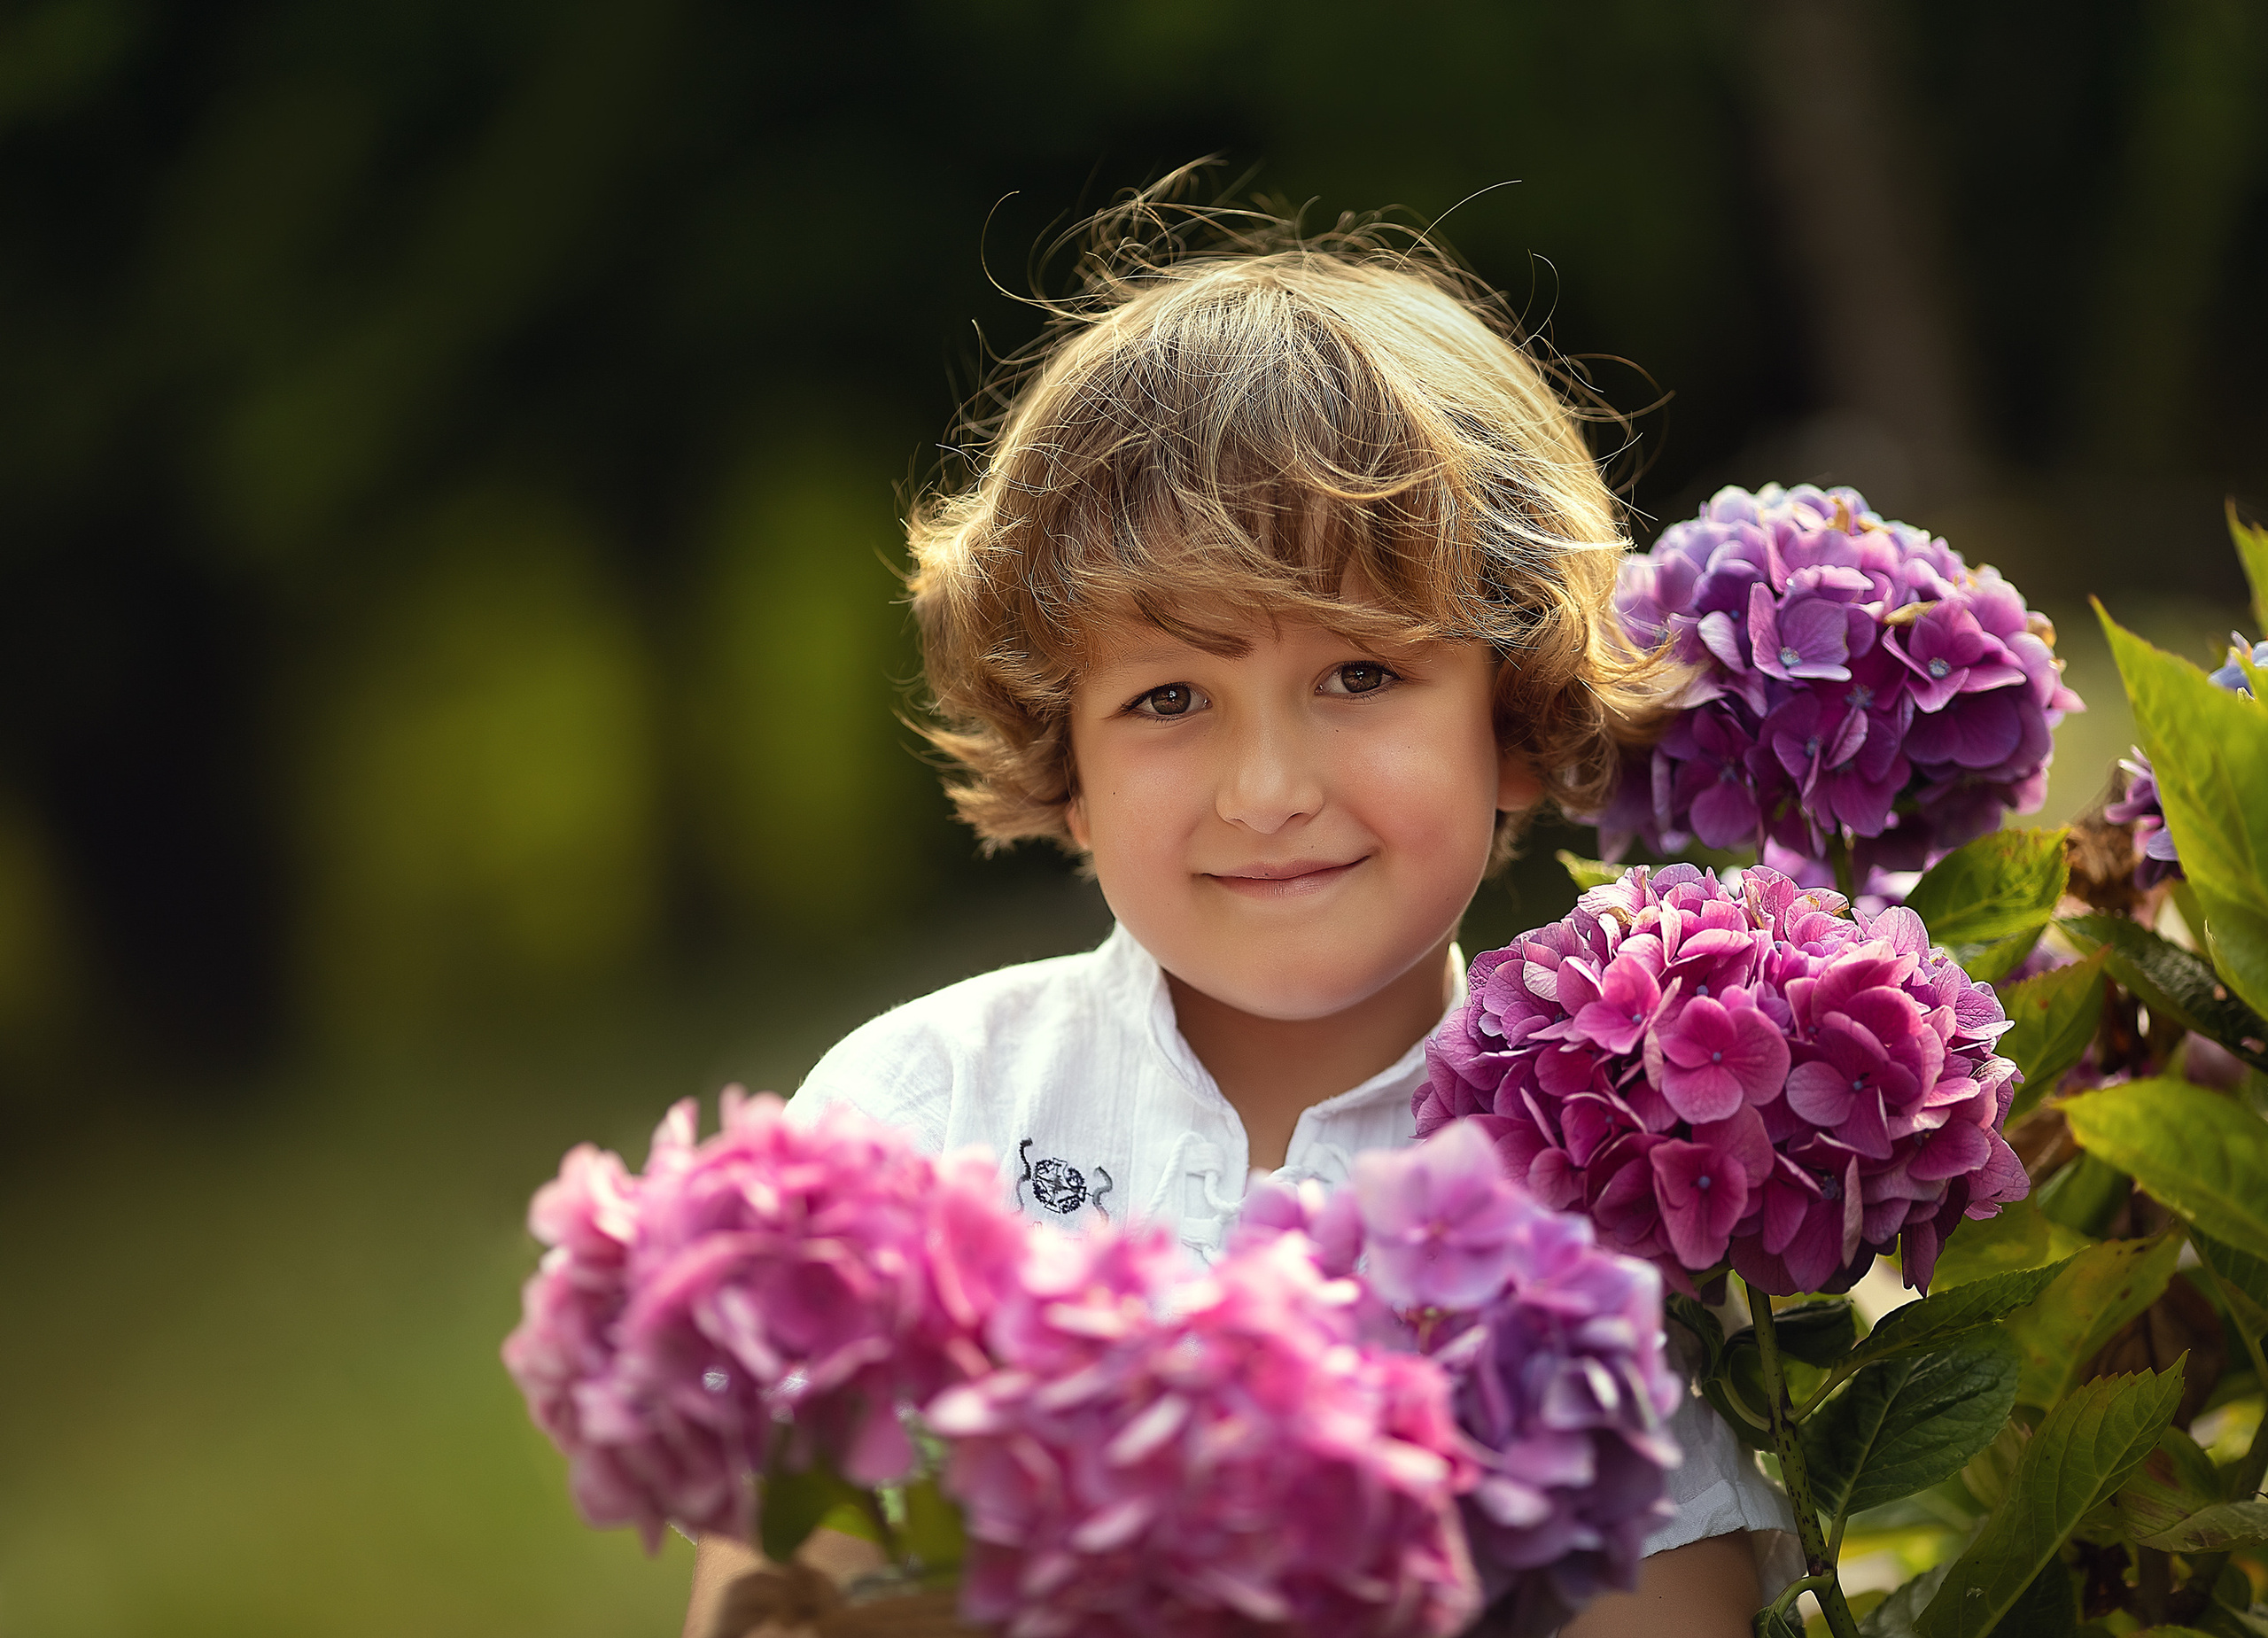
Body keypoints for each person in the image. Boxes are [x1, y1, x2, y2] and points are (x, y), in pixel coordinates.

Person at [684, 182, 1797, 1638]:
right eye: (1168, 697)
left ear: (1515, 720)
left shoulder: (1610, 1180)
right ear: (1067, 766)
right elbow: (775, 1598)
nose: (1267, 789)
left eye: (1360, 674)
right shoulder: (918, 1112)